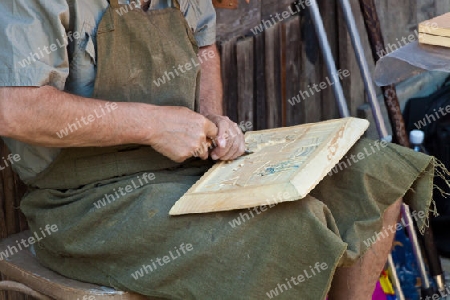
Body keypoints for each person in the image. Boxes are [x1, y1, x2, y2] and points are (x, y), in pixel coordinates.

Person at [0, 0, 438, 299]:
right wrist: (154, 124)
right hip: (84, 198)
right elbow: (14, 108)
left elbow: (204, 47)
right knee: (289, 229)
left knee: (372, 168)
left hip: (188, 165)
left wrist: (214, 119)